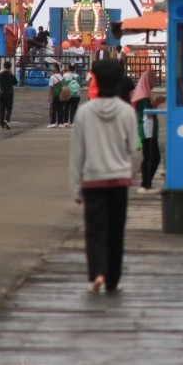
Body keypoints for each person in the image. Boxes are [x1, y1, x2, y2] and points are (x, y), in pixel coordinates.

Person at [69, 58, 137, 294]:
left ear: (96, 81)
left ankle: (97, 273)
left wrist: (76, 188)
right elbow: (132, 147)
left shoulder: (84, 112)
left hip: (92, 179)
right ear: (119, 81)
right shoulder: (127, 111)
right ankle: (113, 279)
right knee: (116, 230)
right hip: (119, 179)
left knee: (95, 229)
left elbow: (77, 152)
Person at [130, 69, 165, 192]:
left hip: (149, 130)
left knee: (152, 156)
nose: (154, 83)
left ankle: (147, 183)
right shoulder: (144, 95)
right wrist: (158, 102)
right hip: (147, 130)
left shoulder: (144, 93)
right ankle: (145, 184)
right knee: (151, 157)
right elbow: (148, 113)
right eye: (153, 80)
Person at [0, 59, 17, 130]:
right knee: (9, 108)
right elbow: (15, 83)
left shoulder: (0, 75)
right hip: (9, 93)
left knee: (2, 109)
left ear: (3, 66)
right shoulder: (11, 75)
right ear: (10, 67)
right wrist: (12, 75)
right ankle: (7, 119)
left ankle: (1, 124)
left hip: (1, 93)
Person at [47, 63, 66, 128]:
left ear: (55, 68)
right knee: (60, 109)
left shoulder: (53, 77)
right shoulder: (62, 76)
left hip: (55, 94)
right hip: (61, 94)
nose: (52, 68)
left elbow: (51, 87)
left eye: (53, 67)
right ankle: (61, 123)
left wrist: (49, 96)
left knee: (53, 108)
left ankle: (53, 122)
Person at [63, 62, 81, 128]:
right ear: (74, 68)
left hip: (67, 93)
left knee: (66, 108)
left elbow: (63, 84)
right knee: (74, 108)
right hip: (75, 94)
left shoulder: (65, 75)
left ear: (68, 68)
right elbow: (79, 84)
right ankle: (72, 122)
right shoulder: (77, 76)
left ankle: (65, 122)